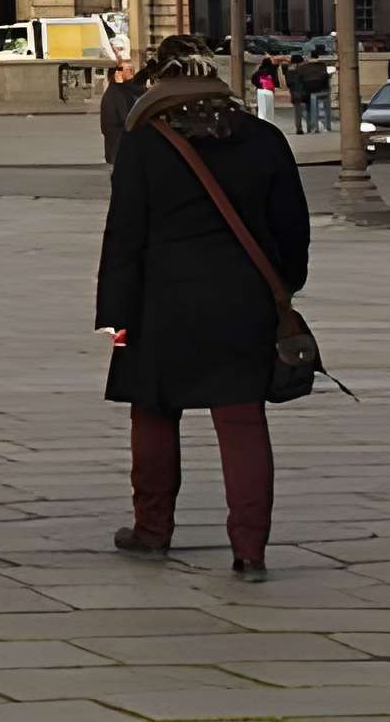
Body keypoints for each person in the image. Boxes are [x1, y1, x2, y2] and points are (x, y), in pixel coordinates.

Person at [99, 41, 312, 580]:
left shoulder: (145, 141)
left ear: (159, 82)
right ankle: (250, 549)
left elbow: (124, 233)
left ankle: (152, 530)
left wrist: (116, 311)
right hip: (243, 299)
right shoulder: (263, 138)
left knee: (153, 410)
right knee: (241, 420)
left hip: (160, 301)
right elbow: (293, 226)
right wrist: (283, 286)